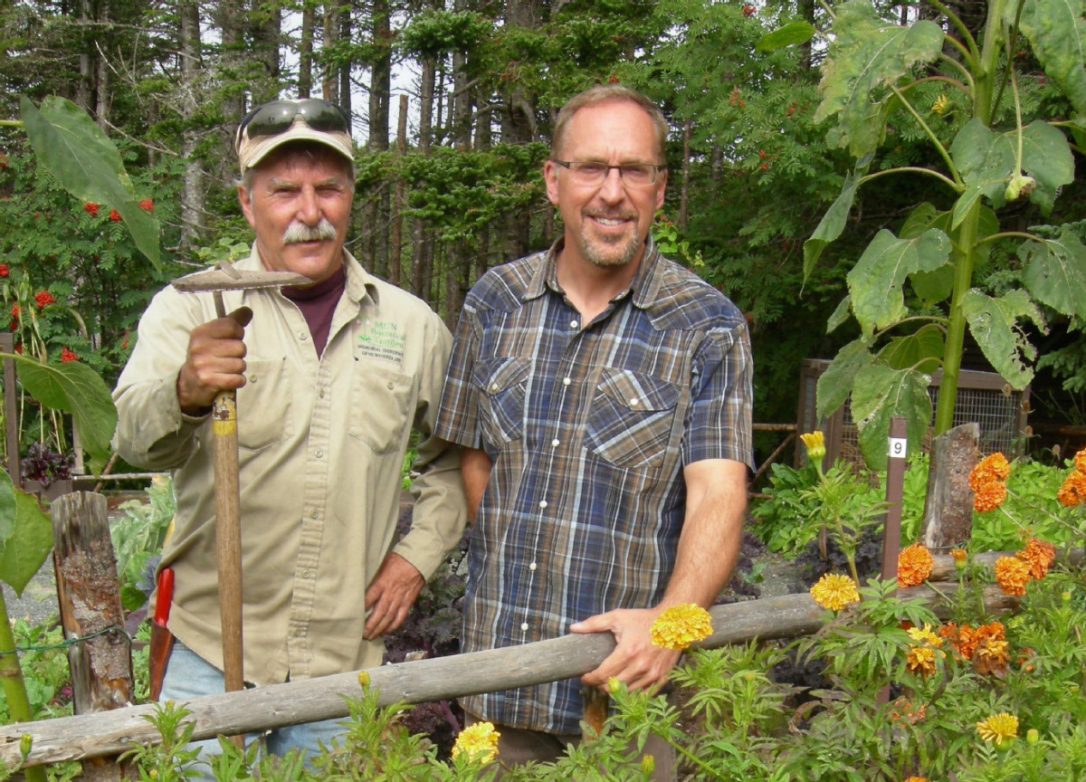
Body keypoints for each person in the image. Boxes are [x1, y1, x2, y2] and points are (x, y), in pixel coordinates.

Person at [113, 98, 467, 772]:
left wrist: (417, 556)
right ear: (249, 205)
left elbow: (451, 459)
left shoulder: (413, 326)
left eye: (328, 188)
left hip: (341, 665)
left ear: (350, 197)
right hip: (207, 653)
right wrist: (185, 390)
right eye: (284, 191)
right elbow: (132, 436)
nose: (311, 211)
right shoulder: (194, 307)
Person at [435, 85, 753, 778]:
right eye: (591, 168)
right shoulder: (494, 303)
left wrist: (669, 624)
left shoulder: (706, 324)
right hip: (500, 684)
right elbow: (475, 460)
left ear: (660, 190)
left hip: (625, 702)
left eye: (634, 170)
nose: (613, 192)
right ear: (553, 181)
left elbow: (718, 496)